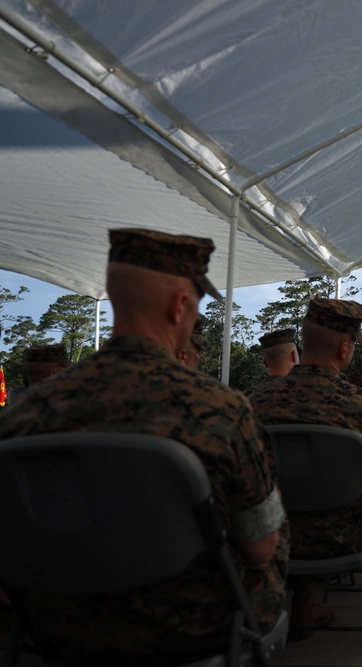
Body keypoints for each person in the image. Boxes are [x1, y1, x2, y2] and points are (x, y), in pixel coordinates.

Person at [0, 228, 288, 665]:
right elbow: (260, 548)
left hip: (54, 626)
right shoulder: (223, 410)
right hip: (194, 626)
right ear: (179, 306)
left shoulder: (24, 414)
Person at [249, 298, 362, 645]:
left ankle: (304, 605)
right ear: (345, 348)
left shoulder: (254, 403)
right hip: (349, 532)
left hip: (274, 533)